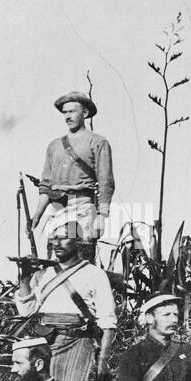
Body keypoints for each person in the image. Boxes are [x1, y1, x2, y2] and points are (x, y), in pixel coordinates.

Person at [13, 216, 117, 381]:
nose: (57, 243)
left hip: (76, 342)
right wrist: (25, 279)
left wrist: (103, 362)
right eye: (54, 238)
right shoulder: (42, 274)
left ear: (78, 241)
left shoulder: (95, 275)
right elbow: (26, 311)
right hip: (43, 342)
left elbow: (107, 324)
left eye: (63, 237)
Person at [30, 91, 115, 263]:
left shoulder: (97, 142)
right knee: (57, 262)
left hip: (82, 207)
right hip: (57, 208)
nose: (67, 116)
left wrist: (102, 216)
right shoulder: (54, 146)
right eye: (65, 112)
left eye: (72, 111)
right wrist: (37, 215)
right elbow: (46, 185)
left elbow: (106, 182)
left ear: (84, 113)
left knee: (82, 262)